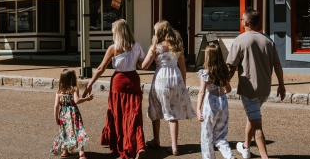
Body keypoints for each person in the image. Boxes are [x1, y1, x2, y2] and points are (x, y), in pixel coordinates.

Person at [226, 10, 285, 159]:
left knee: (257, 125)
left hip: (249, 90)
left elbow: (231, 67)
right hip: (264, 90)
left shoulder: (240, 40)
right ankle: (246, 147)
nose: (241, 21)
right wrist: (281, 85)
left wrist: (224, 83)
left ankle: (264, 156)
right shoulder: (268, 41)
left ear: (246, 22)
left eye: (241, 19)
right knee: (252, 118)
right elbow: (277, 65)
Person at [83, 19, 146, 159]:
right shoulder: (137, 46)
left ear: (116, 33)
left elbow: (101, 68)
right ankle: (139, 145)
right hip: (133, 81)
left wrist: (90, 84)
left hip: (118, 82)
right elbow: (142, 64)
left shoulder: (113, 48)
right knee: (134, 113)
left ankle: (122, 142)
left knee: (118, 113)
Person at [140, 20, 195, 155]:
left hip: (161, 80)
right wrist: (182, 82)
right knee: (173, 113)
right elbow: (183, 66)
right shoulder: (177, 46)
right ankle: (174, 146)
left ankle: (156, 140)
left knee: (155, 108)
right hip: (175, 79)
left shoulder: (155, 48)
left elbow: (144, 66)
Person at [196, 45, 234, 159]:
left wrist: (198, 109)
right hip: (223, 101)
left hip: (211, 103)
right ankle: (229, 156)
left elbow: (202, 92)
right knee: (220, 136)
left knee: (207, 135)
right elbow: (229, 89)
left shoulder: (205, 73)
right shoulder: (223, 72)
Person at [51, 69, 93, 158]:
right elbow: (77, 100)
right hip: (74, 113)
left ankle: (64, 151)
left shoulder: (59, 91)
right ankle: (81, 153)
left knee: (65, 131)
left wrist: (56, 119)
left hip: (63, 114)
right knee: (78, 130)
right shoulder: (74, 89)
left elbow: (56, 106)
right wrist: (87, 99)